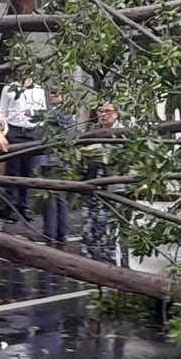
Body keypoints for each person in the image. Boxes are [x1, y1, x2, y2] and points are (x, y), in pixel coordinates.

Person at [0, 76, 46, 219]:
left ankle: (25, 207)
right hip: (14, 130)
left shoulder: (39, 90)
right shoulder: (9, 88)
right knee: (12, 169)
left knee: (28, 170)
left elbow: (43, 112)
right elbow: (3, 111)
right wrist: (5, 132)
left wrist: (34, 115)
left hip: (32, 131)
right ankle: (10, 207)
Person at [82, 101, 123, 266]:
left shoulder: (122, 133)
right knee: (91, 230)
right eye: (100, 111)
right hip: (93, 188)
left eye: (107, 111)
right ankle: (93, 262)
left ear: (116, 113)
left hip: (115, 191)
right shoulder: (93, 131)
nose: (103, 114)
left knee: (110, 229)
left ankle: (110, 263)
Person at [37, 90, 77, 248]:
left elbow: (65, 136)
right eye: (52, 93)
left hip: (55, 160)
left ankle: (53, 232)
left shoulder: (63, 113)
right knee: (58, 198)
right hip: (55, 160)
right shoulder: (57, 112)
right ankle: (57, 232)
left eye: (57, 94)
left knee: (53, 199)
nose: (52, 96)